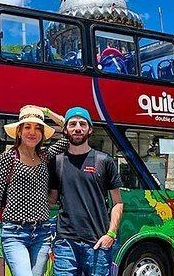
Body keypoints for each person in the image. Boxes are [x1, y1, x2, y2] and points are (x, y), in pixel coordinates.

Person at [0, 105, 67, 276]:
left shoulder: (45, 156)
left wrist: (48, 112)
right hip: (14, 233)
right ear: (19, 131)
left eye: (37, 128)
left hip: (42, 233)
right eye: (27, 127)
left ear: (42, 133)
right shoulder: (8, 158)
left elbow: (68, 132)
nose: (32, 132)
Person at [48, 107, 123, 276]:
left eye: (82, 124)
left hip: (98, 242)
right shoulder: (56, 162)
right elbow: (51, 200)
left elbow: (118, 202)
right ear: (65, 129)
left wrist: (111, 234)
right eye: (72, 124)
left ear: (90, 129)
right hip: (65, 244)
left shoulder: (104, 161)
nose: (77, 128)